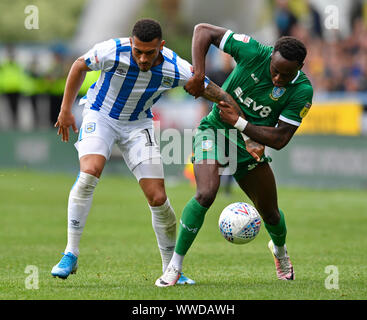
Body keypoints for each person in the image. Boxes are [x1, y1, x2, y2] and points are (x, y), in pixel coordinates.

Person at [51, 19, 261, 284]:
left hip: (139, 125)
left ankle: (171, 269)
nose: (142, 58)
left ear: (161, 47)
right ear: (131, 43)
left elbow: (221, 96)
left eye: (149, 52)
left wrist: (249, 134)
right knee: (90, 172)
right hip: (100, 115)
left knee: (158, 198)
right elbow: (80, 64)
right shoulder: (112, 51)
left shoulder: (176, 67)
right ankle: (70, 253)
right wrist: (66, 109)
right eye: (137, 51)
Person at [155, 23, 313, 286]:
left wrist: (241, 125)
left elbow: (281, 138)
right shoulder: (253, 51)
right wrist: (199, 75)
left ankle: (280, 252)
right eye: (275, 71)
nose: (277, 79)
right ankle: (174, 266)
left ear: (299, 68)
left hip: (249, 145)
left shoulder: (302, 91)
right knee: (205, 193)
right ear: (270, 55)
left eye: (286, 76)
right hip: (214, 130)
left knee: (271, 214)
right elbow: (202, 30)